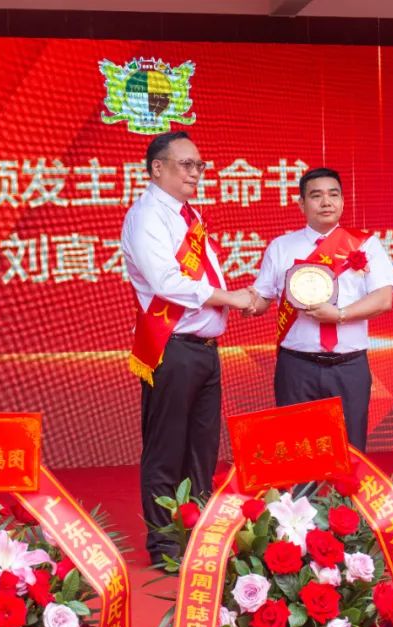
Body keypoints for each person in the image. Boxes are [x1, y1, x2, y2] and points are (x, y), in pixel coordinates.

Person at [119, 131, 255, 565]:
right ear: (157, 168)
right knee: (166, 450)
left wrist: (242, 299)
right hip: (172, 348)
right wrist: (232, 298)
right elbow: (167, 282)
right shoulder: (146, 216)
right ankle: (165, 545)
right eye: (186, 164)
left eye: (199, 165)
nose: (196, 173)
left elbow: (204, 279)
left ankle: (198, 537)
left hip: (204, 349)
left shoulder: (188, 215)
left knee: (202, 450)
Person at [247, 167, 393, 452]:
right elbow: (262, 297)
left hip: (349, 366)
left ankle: (344, 486)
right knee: (298, 451)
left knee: (350, 451)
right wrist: (243, 303)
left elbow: (383, 298)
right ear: (301, 204)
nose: (326, 202)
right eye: (316, 196)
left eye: (333, 195)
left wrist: (339, 315)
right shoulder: (281, 246)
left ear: (342, 201)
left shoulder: (366, 244)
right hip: (297, 366)